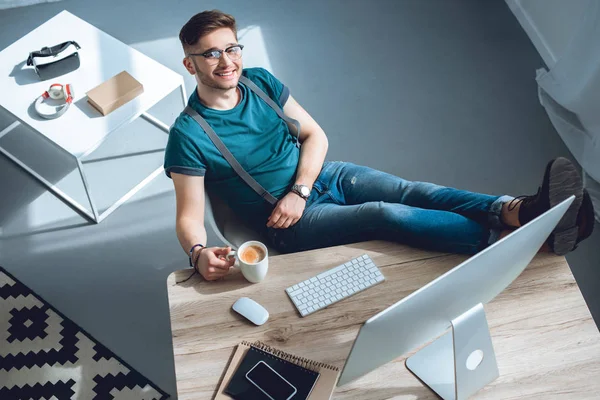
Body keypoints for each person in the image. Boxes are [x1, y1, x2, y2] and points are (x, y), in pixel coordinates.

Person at [165, 10, 595, 281]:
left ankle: (523, 211)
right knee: (385, 214)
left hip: (317, 179)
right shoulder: (189, 134)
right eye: (211, 54)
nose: (227, 62)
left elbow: (315, 135)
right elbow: (189, 216)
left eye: (232, 48)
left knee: (415, 191)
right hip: (288, 222)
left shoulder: (259, 81)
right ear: (190, 64)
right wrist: (199, 252)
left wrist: (301, 186)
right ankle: (518, 241)